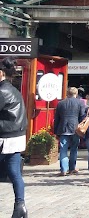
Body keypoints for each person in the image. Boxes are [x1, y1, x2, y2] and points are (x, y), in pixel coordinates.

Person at [0, 57, 28, 217]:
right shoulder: (14, 90)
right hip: (16, 137)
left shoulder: (2, 91)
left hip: (4, 137)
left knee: (13, 172)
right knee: (15, 173)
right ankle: (20, 206)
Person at [53, 87, 86, 176]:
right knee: (74, 149)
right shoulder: (80, 103)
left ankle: (63, 169)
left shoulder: (61, 103)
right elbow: (82, 116)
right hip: (75, 128)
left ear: (67, 93)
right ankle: (72, 168)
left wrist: (55, 131)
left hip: (63, 128)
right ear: (76, 93)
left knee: (63, 150)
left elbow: (57, 118)